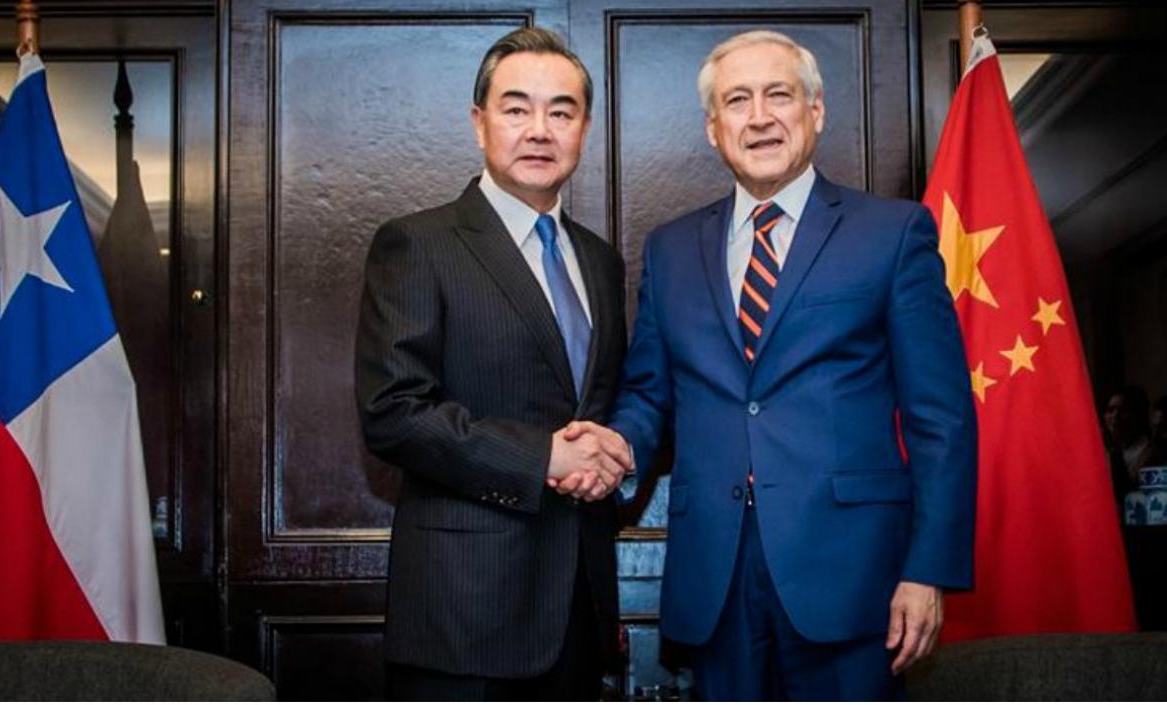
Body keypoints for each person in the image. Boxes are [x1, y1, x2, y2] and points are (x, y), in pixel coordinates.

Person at [560, 30, 977, 699]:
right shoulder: (669, 250)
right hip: (714, 575)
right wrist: (617, 443)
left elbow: (941, 416)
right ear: (712, 127)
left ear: (816, 112)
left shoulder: (893, 233)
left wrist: (928, 569)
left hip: (854, 574)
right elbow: (648, 394)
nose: (759, 117)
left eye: (778, 95)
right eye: (737, 100)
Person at [354, 27, 632, 701]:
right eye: (516, 108)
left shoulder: (599, 259)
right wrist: (543, 458)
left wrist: (615, 449)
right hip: (464, 617)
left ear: (584, 128)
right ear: (479, 123)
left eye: (561, 111)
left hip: (580, 613)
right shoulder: (417, 244)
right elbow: (394, 414)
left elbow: (599, 404)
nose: (539, 129)